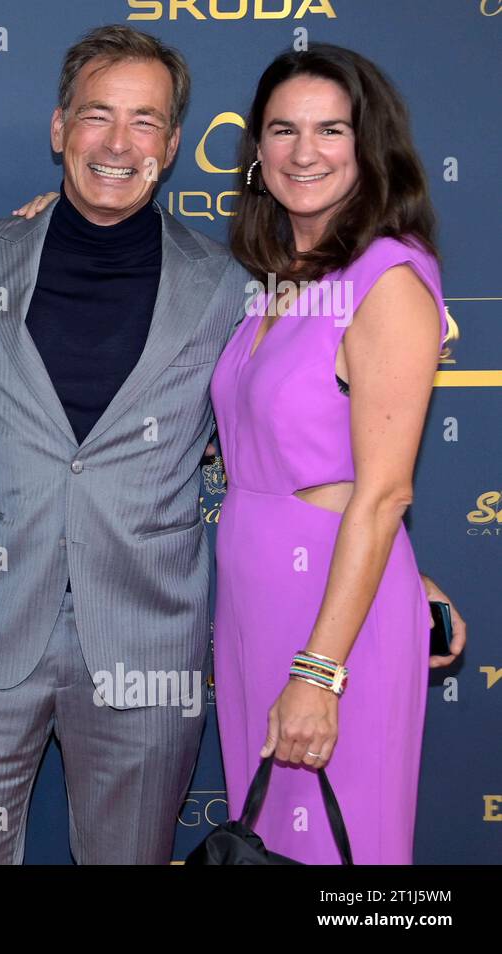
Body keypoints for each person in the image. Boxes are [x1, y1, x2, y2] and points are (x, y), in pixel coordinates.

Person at [0, 25, 250, 865]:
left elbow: (286, 443)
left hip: (148, 643)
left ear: (173, 145)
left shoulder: (228, 288)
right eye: (97, 115)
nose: (117, 142)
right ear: (60, 127)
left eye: (145, 121)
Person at [210, 44, 462, 863]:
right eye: (282, 130)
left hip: (329, 629)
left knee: (336, 852)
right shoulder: (283, 275)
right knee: (270, 845)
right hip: (254, 604)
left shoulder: (388, 278)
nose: (303, 151)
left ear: (369, 146)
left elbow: (384, 493)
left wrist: (320, 672)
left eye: (331, 130)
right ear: (258, 152)